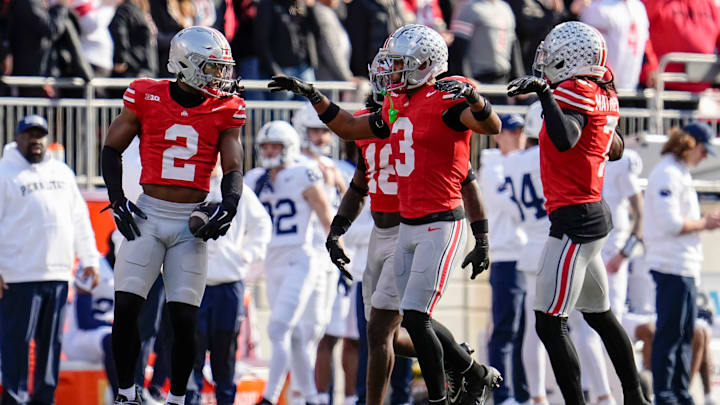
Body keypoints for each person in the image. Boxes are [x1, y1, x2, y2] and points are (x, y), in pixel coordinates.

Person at [269, 23, 504, 405]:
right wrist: (315, 96)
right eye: (388, 66)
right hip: (390, 229)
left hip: (429, 222)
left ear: (424, 65)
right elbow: (354, 153)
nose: (388, 74)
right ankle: (464, 367)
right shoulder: (394, 109)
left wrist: (482, 237)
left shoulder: (442, 99)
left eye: (397, 66)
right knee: (384, 330)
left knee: (404, 321)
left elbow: (474, 160)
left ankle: (444, 387)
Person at [101, 26, 246, 405]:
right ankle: (125, 393)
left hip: (188, 224)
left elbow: (233, 167)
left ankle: (178, 398)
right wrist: (117, 200)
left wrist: (228, 205)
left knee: (183, 319)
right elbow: (111, 148)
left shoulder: (225, 108)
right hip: (149, 214)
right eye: (212, 69)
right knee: (127, 308)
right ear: (187, 65)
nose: (220, 78)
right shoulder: (146, 94)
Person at [506, 21, 648, 405]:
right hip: (588, 212)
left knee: (549, 321)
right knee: (600, 315)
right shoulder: (601, 91)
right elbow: (612, 147)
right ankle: (635, 397)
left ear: (574, 59)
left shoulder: (574, 90)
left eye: (555, 56)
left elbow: (567, 138)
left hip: (575, 218)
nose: (547, 63)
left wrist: (546, 95)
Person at [0, 115, 100, 404]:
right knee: (16, 345)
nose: (36, 141)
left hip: (58, 275)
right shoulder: (5, 172)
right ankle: (14, 399)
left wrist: (90, 259)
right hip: (18, 276)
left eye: (40, 135)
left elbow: (80, 220)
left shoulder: (63, 172)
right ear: (17, 138)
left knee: (51, 346)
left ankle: (45, 400)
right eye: (29, 135)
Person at [245, 121, 334, 405]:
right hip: (272, 262)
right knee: (293, 334)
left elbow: (324, 214)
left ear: (290, 148)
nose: (270, 151)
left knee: (278, 327)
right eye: (266, 146)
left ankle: (269, 397)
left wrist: (337, 248)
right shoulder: (255, 178)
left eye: (276, 146)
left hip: (300, 258)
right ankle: (311, 397)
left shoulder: (302, 173)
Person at [643, 122, 720, 405]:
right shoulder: (667, 174)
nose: (703, 157)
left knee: (685, 333)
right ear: (690, 144)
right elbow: (671, 223)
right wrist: (705, 223)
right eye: (701, 150)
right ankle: (666, 393)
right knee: (670, 333)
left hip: (683, 264)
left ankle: (680, 391)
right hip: (670, 264)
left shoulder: (678, 173)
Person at [186, 168, 272, 405]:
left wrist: (249, 253)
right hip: (194, 282)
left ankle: (226, 400)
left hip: (227, 283)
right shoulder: (188, 184)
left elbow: (262, 223)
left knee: (224, 356)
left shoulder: (235, 188)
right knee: (190, 352)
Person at [479, 114, 529, 405]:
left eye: (521, 131)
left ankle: (521, 392)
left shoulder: (522, 164)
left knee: (523, 330)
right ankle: (503, 393)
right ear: (499, 136)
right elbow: (513, 203)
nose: (518, 137)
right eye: (512, 132)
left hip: (524, 253)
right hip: (506, 254)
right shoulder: (492, 164)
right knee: (505, 328)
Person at [64, 237, 118, 396]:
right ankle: (121, 397)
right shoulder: (95, 266)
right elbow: (84, 320)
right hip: (80, 338)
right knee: (116, 340)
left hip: (104, 335)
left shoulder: (132, 273)